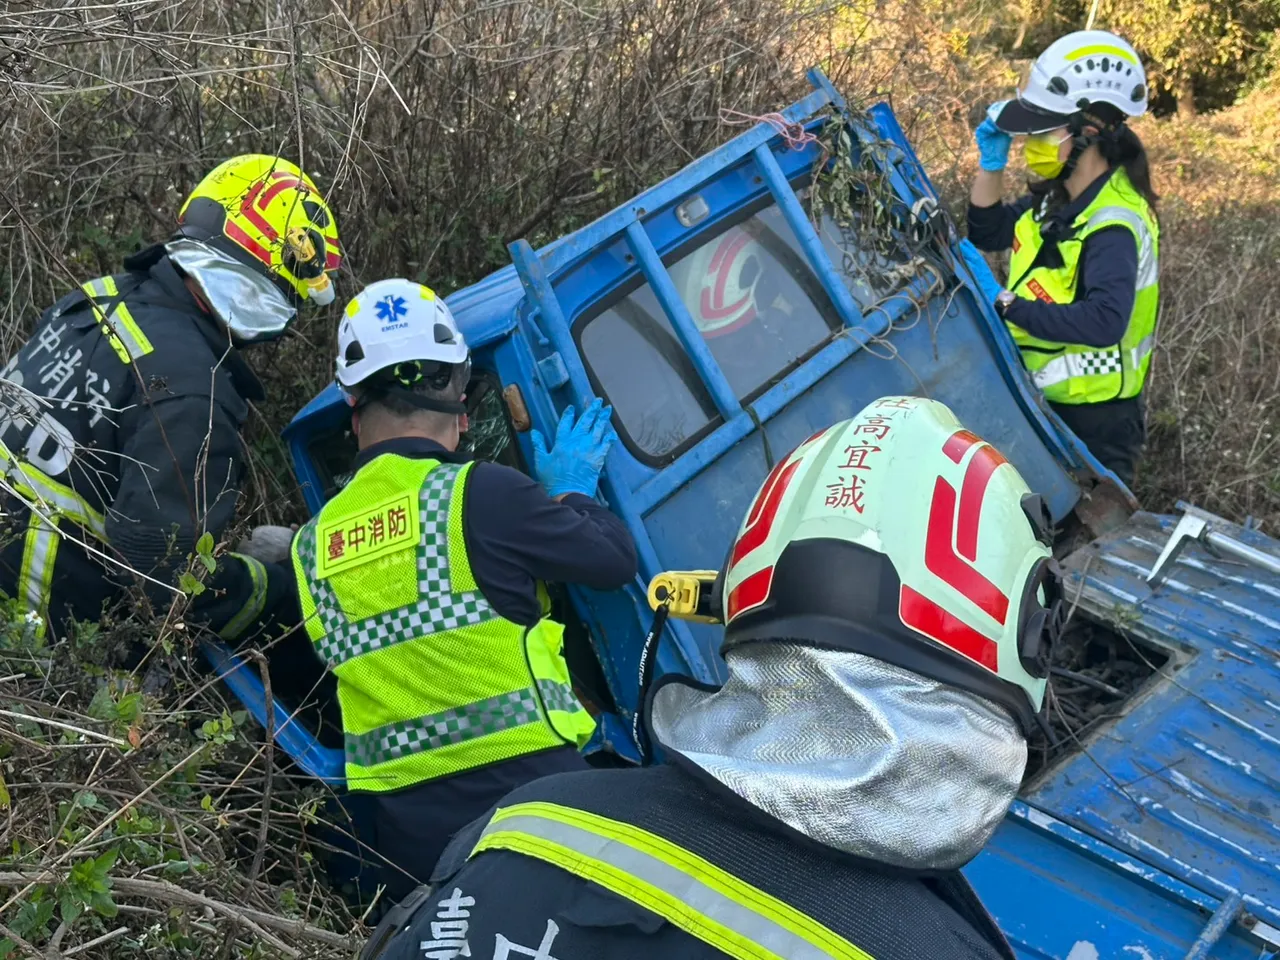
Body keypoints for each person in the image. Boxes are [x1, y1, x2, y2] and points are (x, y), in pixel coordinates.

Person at [359, 395, 1064, 960]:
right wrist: (571, 501)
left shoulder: (525, 827)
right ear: (1022, 631)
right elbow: (604, 558)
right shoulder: (936, 945)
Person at [287, 278, 639, 904]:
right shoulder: (481, 493)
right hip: (535, 804)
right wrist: (572, 491)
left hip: (409, 843)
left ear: (353, 402)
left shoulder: (310, 544)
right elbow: (612, 561)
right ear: (455, 393)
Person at [0, 155, 341, 643]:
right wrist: (277, 587)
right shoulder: (193, 393)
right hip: (33, 644)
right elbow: (163, 582)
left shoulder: (98, 297)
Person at [960, 30, 1159, 488]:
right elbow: (986, 230)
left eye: (1042, 129)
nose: (1031, 139)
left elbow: (1104, 321)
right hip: (1043, 404)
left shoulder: (1114, 223)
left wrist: (1007, 305)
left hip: (1097, 425)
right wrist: (991, 162)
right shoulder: (1058, 201)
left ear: (1089, 132)